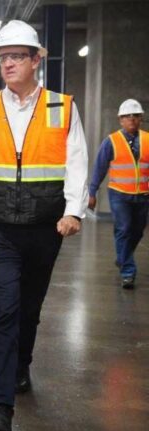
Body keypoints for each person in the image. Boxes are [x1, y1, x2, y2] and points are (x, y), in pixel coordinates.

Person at [0, 20, 88, 431]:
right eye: (3, 57)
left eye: (16, 56)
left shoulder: (62, 107)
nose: (8, 64)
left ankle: (21, 365)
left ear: (35, 61)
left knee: (29, 309)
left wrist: (74, 211)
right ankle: (2, 404)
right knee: (5, 310)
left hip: (45, 226)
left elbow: (77, 160)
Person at [88, 99, 148, 289]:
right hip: (119, 194)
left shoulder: (147, 140)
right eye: (127, 116)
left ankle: (122, 256)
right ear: (120, 120)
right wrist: (92, 192)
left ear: (141, 118)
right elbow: (99, 168)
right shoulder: (111, 141)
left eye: (135, 116)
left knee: (137, 231)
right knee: (124, 228)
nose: (132, 119)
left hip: (143, 194)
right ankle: (128, 272)